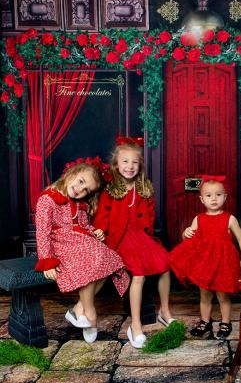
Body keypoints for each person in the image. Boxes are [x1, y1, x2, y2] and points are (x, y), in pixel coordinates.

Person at [35, 157, 130, 344]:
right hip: (60, 244)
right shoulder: (48, 199)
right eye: (80, 182)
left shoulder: (79, 204)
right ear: (71, 173)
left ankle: (79, 309)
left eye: (86, 190)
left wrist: (94, 232)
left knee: (109, 257)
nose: (79, 190)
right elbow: (42, 231)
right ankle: (90, 312)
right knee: (90, 256)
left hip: (79, 241)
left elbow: (84, 225)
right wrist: (46, 260)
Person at [94, 136, 174, 349]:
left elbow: (150, 215)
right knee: (138, 273)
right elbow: (102, 216)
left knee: (165, 264)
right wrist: (100, 231)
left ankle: (165, 311)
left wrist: (147, 238)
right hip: (121, 240)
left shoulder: (145, 189)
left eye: (134, 162)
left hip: (141, 237)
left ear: (140, 166)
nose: (130, 166)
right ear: (116, 165)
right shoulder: (110, 191)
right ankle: (135, 325)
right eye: (125, 162)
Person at [169, 175, 241, 339]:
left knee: (223, 295)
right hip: (205, 264)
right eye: (209, 195)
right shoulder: (199, 219)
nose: (214, 199)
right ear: (202, 199)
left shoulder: (229, 219)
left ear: (225, 197)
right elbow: (189, 240)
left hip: (223, 263)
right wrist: (186, 233)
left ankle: (225, 322)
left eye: (218, 195)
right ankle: (205, 322)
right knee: (205, 295)